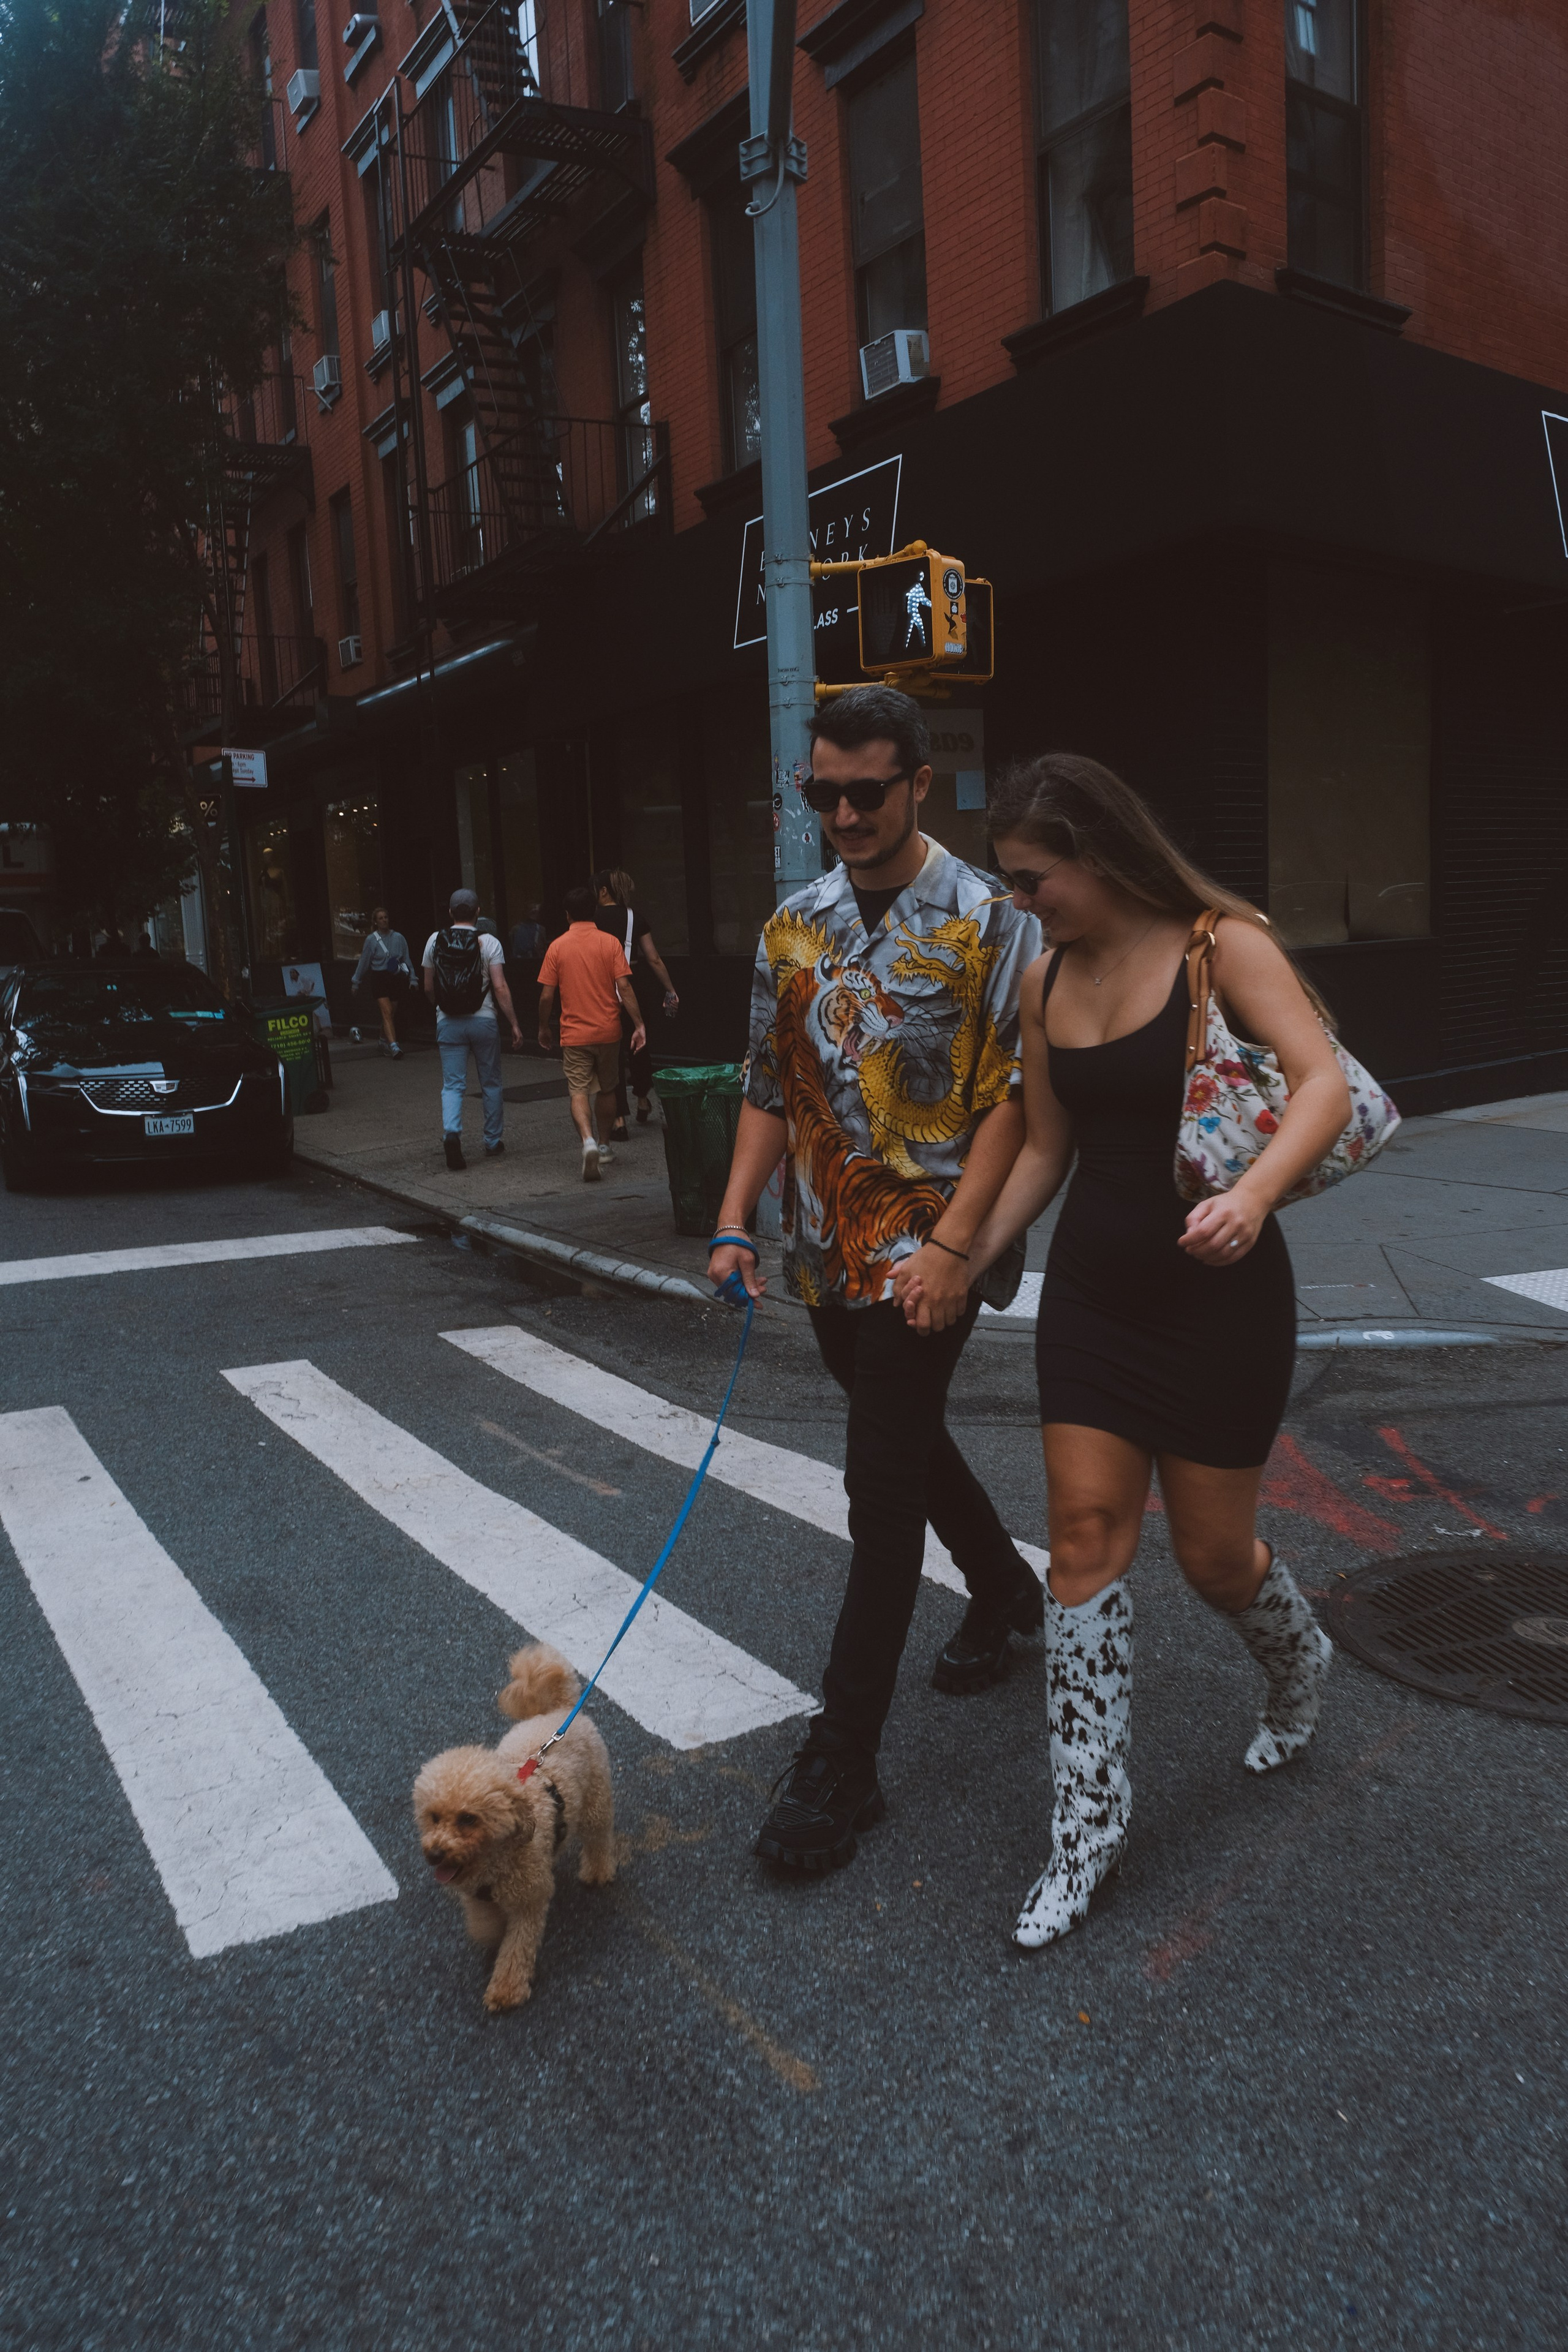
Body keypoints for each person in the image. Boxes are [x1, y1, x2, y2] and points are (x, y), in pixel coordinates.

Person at [900, 753, 1351, 1951]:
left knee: (1211, 1559)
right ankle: (1084, 1826)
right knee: (1084, 1548)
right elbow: (1044, 1151)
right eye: (1008, 881)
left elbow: (1321, 1088)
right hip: (1094, 1303)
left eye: (1030, 878)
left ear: (1093, 856)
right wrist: (958, 1255)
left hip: (1220, 1297)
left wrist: (1251, 1195)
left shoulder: (1219, 944)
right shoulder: (1046, 980)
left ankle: (1296, 1661)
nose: (1018, 901)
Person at [707, 685, 1044, 1876]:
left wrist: (957, 1250)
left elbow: (1016, 1097)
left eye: (866, 791)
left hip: (932, 1252)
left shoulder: (990, 920)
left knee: (876, 1492)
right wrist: (733, 1217)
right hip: (821, 1251)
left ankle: (840, 1764)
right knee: (897, 1439)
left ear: (917, 783)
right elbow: (766, 1086)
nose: (843, 813)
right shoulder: (790, 926)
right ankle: (1005, 1589)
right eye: (822, 792)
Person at [537, 882, 647, 1183]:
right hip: (609, 1030)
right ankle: (605, 1145)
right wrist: (639, 1024)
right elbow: (624, 987)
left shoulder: (557, 947)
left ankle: (586, 1141)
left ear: (568, 914)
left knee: (578, 1090)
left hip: (574, 1034)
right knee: (608, 1088)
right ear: (594, 912)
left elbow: (547, 996)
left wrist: (544, 1027)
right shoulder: (610, 943)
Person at [421, 888, 523, 1171]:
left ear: (451, 913)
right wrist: (514, 1023)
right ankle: (492, 1142)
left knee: (453, 1085)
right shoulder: (489, 942)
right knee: (491, 1083)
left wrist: (441, 1008)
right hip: (484, 1020)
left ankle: (452, 1134)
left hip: (448, 1022)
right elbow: (500, 987)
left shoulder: (434, 940)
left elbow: (428, 986)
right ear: (478, 913)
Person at [593, 867, 680, 1135]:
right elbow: (653, 958)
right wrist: (670, 990)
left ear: (604, 891)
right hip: (634, 985)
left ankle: (618, 1118)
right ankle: (643, 1099)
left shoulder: (591, 919)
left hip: (603, 987)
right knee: (639, 1043)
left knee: (612, 1052)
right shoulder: (635, 918)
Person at [350, 907, 413, 1058]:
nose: (384, 920)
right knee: (387, 1012)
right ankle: (394, 1047)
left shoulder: (398, 937)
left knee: (391, 1013)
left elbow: (406, 959)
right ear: (376, 922)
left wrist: (413, 978)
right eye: (381, 918)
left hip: (395, 977)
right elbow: (364, 962)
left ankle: (382, 1040)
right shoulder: (372, 940)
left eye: (386, 917)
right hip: (379, 978)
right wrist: (356, 981)